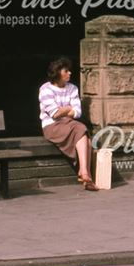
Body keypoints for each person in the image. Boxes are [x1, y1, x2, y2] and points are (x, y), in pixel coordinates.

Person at [39, 57, 97, 191]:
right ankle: (85, 173)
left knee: (84, 136)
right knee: (82, 130)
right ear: (57, 72)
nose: (70, 73)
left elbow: (77, 113)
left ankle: (84, 174)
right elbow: (54, 114)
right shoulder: (45, 89)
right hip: (51, 127)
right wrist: (67, 109)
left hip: (69, 124)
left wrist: (63, 110)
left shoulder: (73, 88)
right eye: (66, 71)